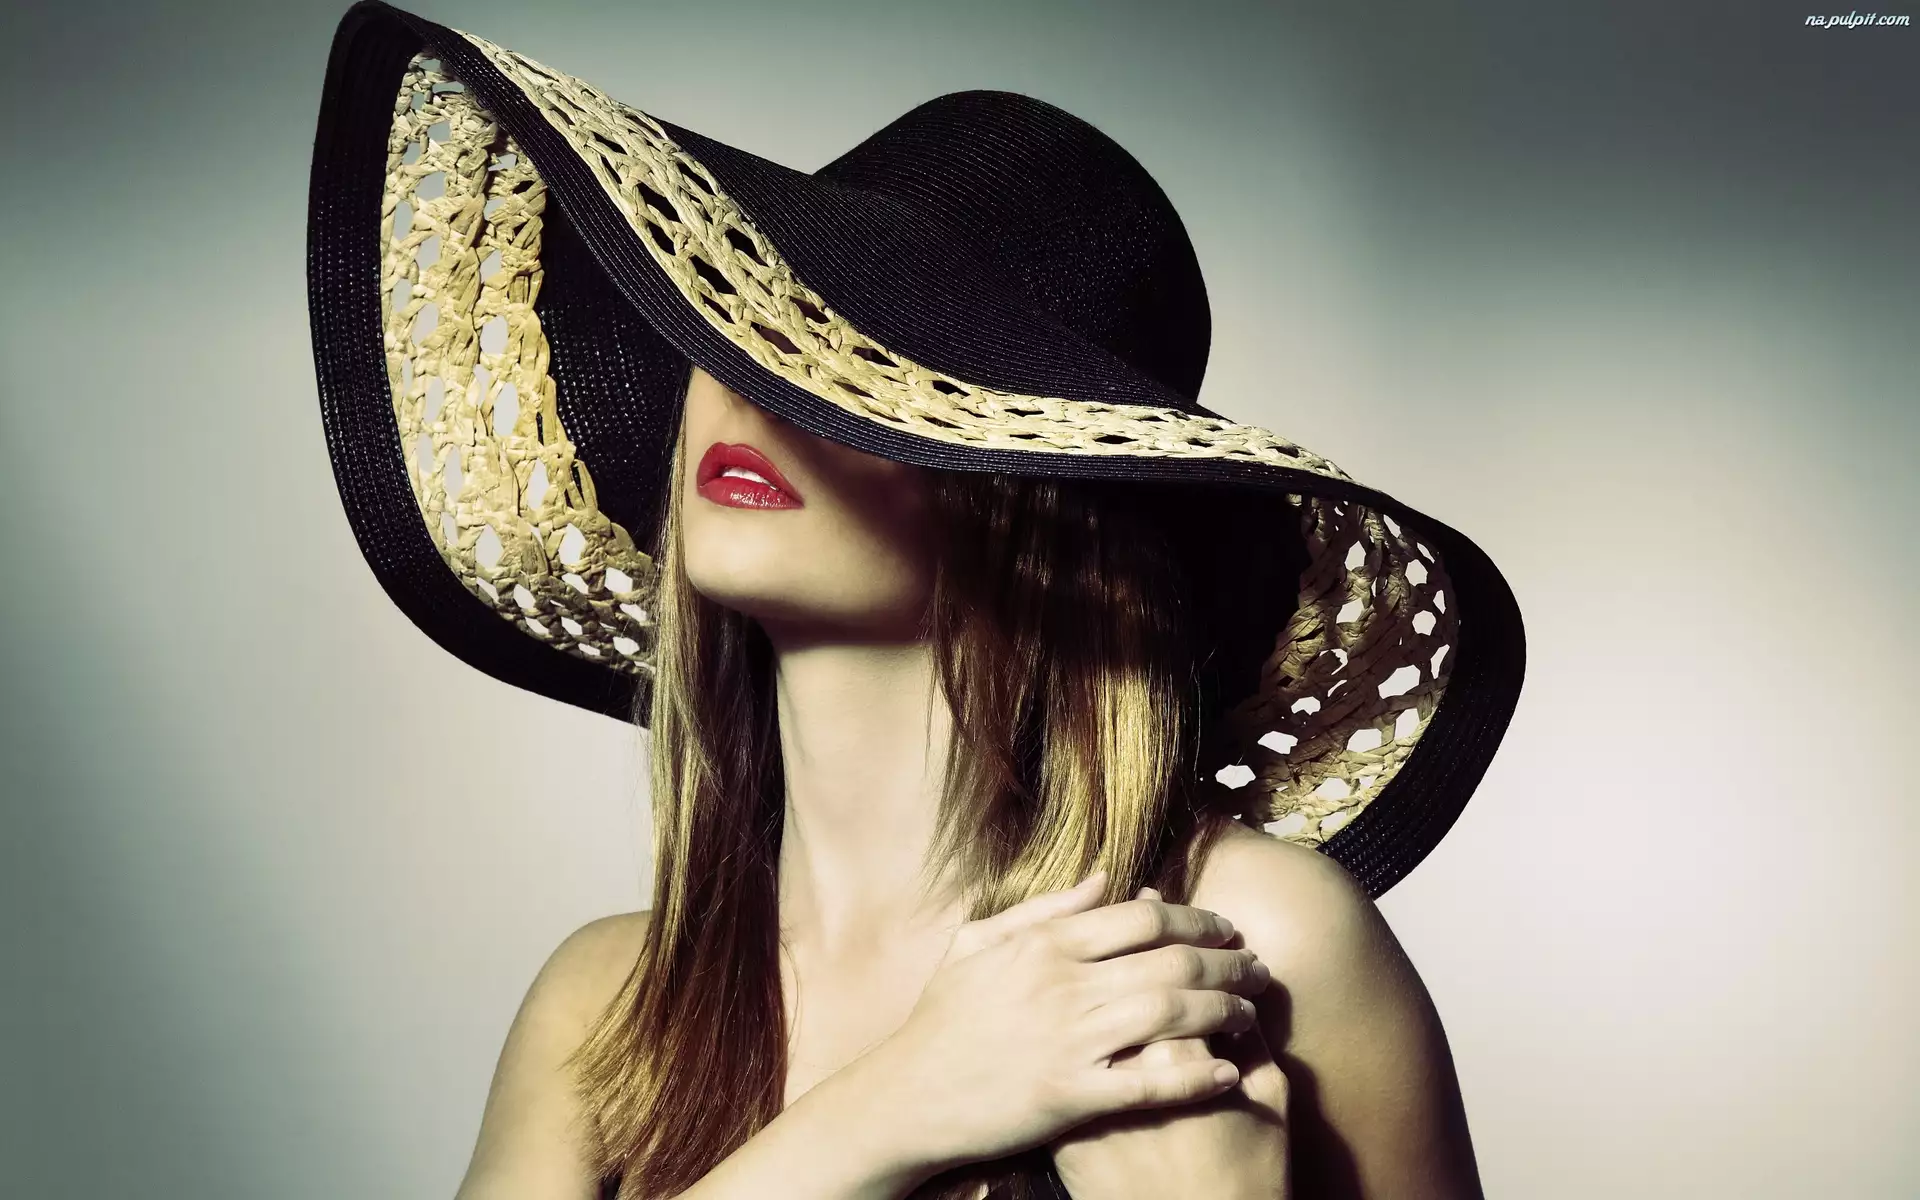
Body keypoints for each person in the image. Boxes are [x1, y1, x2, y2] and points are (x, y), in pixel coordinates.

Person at [306, 5, 1525, 1197]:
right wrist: (902, 1103)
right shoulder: (605, 1005)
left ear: (1042, 501)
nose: (750, 392)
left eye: (861, 368)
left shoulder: (1255, 938)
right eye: (733, 328)